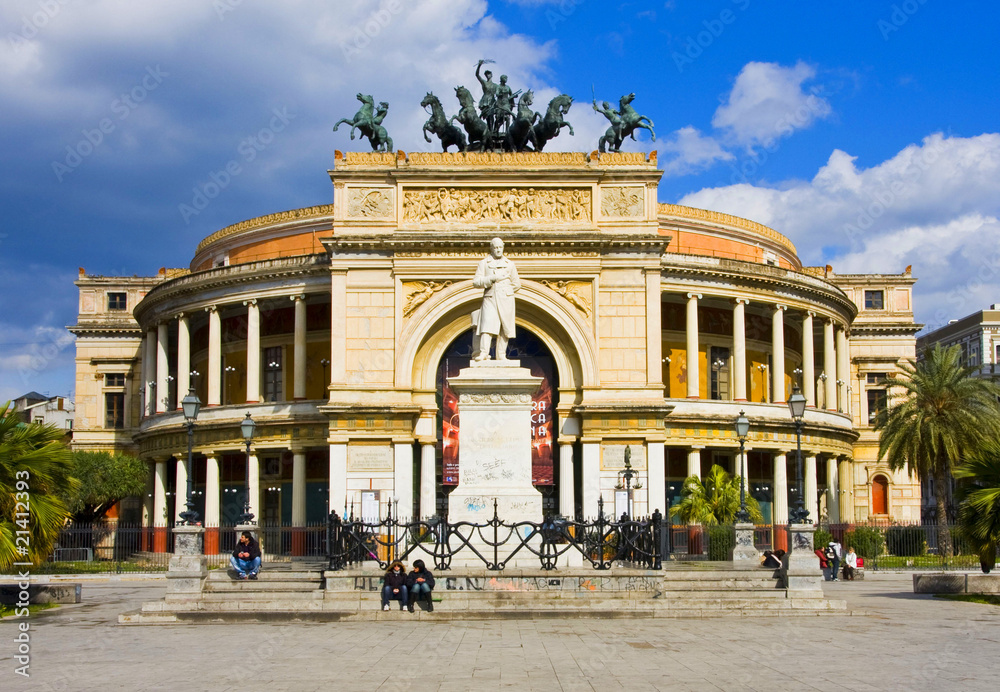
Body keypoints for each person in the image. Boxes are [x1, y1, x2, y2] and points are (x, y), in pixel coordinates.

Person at [472, 237, 520, 361]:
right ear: (491, 248)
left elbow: (516, 283)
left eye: (500, 247)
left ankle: (501, 355)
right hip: (490, 297)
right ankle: (484, 353)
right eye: (495, 247)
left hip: (506, 298)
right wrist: (492, 278)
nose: (498, 250)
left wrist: (506, 291)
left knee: (505, 326)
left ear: (503, 247)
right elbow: (476, 282)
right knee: (487, 325)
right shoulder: (484, 263)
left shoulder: (510, 264)